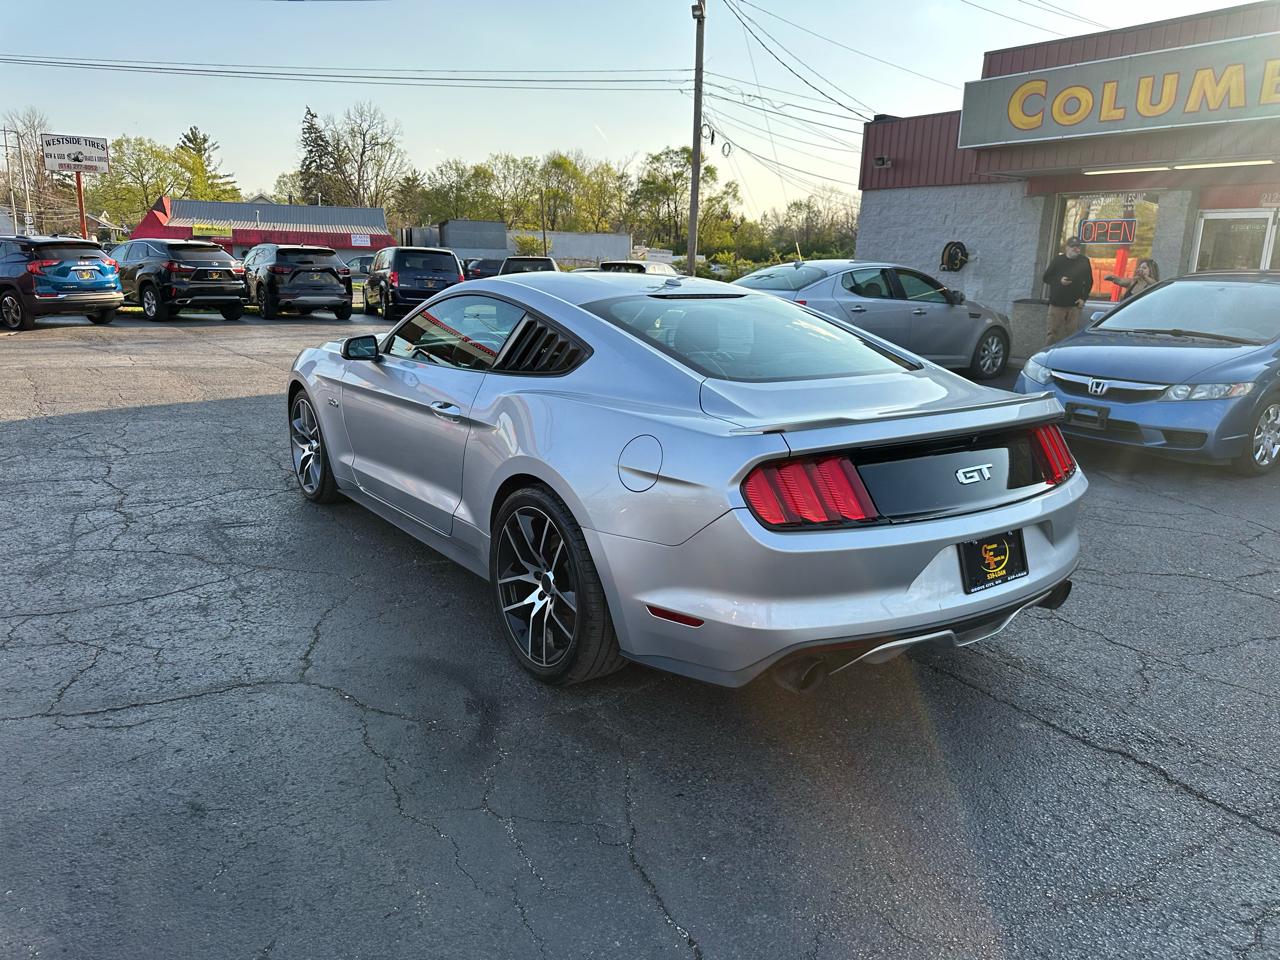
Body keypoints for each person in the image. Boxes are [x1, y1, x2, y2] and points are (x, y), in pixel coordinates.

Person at [1041, 236, 1094, 345]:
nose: (1076, 249)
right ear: (1067, 248)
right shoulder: (1058, 260)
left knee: (1072, 335)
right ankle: (1048, 357)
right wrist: (1059, 280)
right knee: (1053, 333)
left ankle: (1068, 358)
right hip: (1057, 304)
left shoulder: (1084, 261)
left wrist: (1083, 299)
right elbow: (1046, 278)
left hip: (1074, 305)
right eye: (1073, 247)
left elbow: (1089, 282)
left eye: (1078, 247)